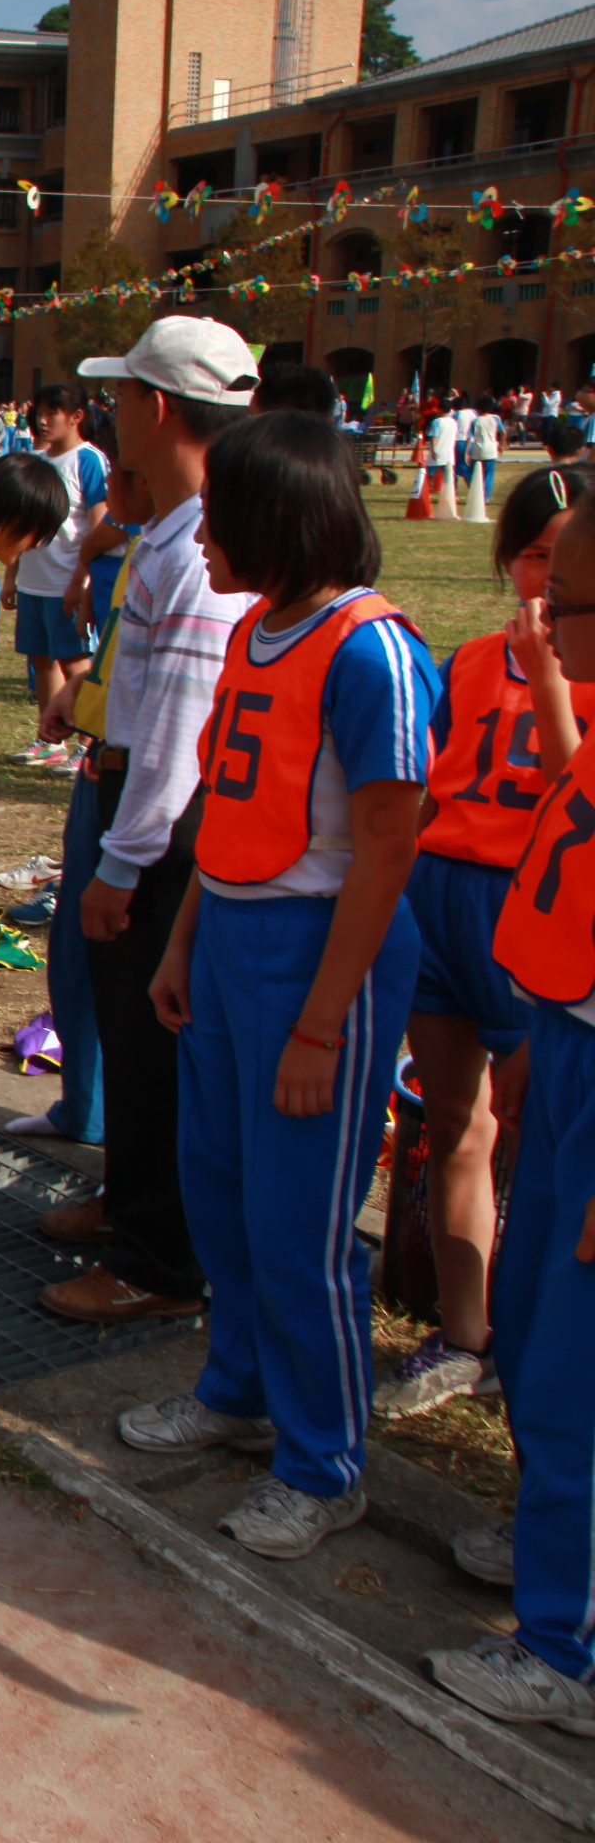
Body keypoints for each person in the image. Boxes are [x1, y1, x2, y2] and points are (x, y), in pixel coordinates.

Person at [128, 408, 437, 1562]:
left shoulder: (371, 651)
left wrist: (321, 1024)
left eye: (220, 518)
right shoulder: (257, 630)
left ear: (279, 519)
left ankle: (323, 1463)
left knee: (301, 1226)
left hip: (319, 960)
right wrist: (182, 945)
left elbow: (389, 849)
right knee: (222, 1195)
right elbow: (226, 808)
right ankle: (237, 1388)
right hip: (228, 943)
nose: (202, 537)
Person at [34, 318, 261, 1323]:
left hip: (166, 822)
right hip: (141, 798)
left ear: (157, 407)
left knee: (155, 1034)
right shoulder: (171, 530)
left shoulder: (203, 548)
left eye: (120, 395)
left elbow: (180, 727)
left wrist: (124, 861)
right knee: (130, 1027)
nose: (108, 413)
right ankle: (130, 1199)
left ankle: (162, 1258)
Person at [422, 496, 595, 1721]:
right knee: (532, 1329)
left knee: (574, 1362)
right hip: (568, 1042)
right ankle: (549, 1544)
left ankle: (561, 1646)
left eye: (565, 601)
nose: (543, 615)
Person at [378, 467, 592, 1420]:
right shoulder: (466, 661)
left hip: (527, 908)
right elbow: (431, 784)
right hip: (441, 896)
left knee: (538, 1141)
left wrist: (550, 680)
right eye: (533, 555)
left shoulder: (581, 665)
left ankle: (535, 1348)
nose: (543, 578)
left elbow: (572, 789)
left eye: (560, 559)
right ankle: (465, 1333)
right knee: (456, 1122)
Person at [7, 459, 152, 1148]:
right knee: (75, 953)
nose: (105, 491)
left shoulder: (190, 558)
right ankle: (83, 1107)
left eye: (122, 471)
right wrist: (81, 686)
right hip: (102, 766)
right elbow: (124, 655)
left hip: (136, 786)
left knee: (119, 962)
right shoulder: (145, 552)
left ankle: (121, 1135)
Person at [10, 386, 110, 765]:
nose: (42, 420)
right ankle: (50, 741)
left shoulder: (89, 460)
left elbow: (98, 526)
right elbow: (21, 526)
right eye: (39, 412)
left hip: (66, 582)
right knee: (41, 660)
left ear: (76, 416)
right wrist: (11, 575)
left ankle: (87, 743)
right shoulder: (35, 461)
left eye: (52, 412)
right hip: (33, 581)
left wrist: (80, 580)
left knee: (76, 663)